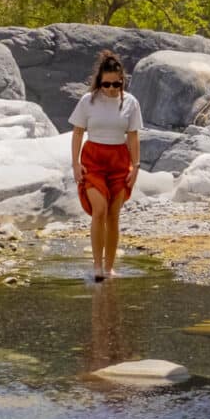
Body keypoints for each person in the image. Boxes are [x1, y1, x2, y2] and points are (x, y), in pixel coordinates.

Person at [68, 49, 142, 281]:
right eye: (106, 84)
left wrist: (136, 167)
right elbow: (78, 132)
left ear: (122, 81)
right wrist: (75, 164)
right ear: (99, 81)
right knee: (99, 209)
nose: (111, 89)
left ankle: (109, 268)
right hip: (93, 159)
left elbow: (133, 136)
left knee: (113, 215)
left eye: (116, 84)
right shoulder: (88, 101)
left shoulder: (131, 103)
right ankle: (97, 266)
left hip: (119, 160)